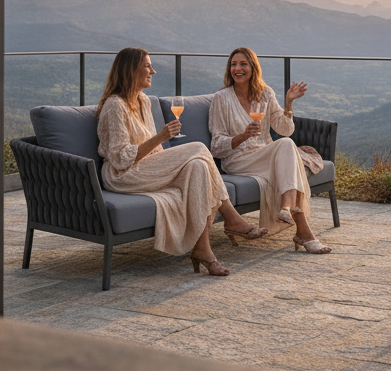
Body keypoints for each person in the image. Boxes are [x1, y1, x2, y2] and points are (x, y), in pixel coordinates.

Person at [96, 47, 268, 277]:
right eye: (147, 66)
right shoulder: (115, 105)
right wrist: (161, 137)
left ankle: (202, 249)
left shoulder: (143, 101)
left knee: (198, 166)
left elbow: (155, 150)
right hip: (122, 175)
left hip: (146, 167)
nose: (153, 71)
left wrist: (165, 154)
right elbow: (119, 158)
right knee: (198, 148)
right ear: (131, 70)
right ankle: (231, 217)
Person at [209, 47, 332, 254]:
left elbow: (285, 130)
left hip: (265, 154)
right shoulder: (221, 98)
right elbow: (216, 146)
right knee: (288, 155)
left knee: (286, 144)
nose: (237, 69)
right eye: (233, 64)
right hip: (238, 159)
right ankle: (302, 230)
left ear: (253, 68)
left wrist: (288, 103)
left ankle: (288, 211)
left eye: (243, 64)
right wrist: (243, 136)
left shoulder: (265, 93)